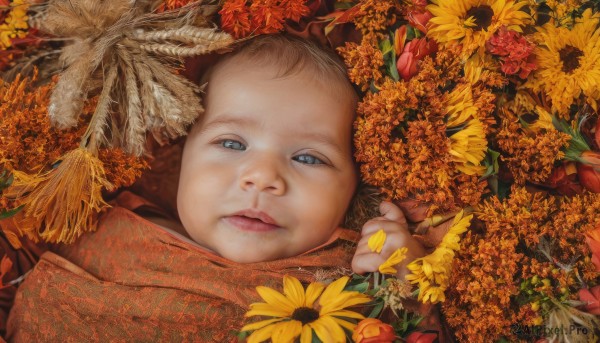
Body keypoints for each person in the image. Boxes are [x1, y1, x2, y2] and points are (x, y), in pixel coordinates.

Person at [3, 34, 425, 341]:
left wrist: (409, 279)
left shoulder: (352, 273)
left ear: (356, 187)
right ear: (181, 154)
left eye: (308, 158)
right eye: (231, 143)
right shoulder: (104, 221)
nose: (261, 177)